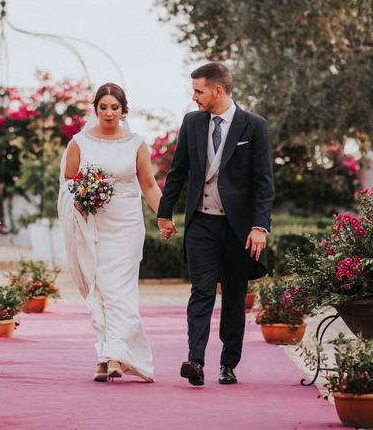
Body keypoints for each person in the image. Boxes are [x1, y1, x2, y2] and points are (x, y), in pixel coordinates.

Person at [157, 62, 274, 386]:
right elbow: (178, 173)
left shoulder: (254, 126)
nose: (194, 97)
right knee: (202, 291)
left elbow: (264, 184)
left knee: (235, 297)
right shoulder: (192, 123)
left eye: (198, 90)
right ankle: (195, 360)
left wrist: (259, 227)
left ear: (218, 90)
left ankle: (228, 363)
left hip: (238, 229)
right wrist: (165, 214)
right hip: (201, 224)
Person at [58, 83, 161, 383]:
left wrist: (163, 216)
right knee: (99, 288)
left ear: (123, 110)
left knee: (120, 290)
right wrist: (83, 196)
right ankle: (105, 356)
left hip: (127, 226)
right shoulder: (79, 142)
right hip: (92, 225)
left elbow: (150, 186)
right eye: (103, 107)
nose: (109, 113)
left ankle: (116, 356)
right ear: (96, 109)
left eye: (115, 107)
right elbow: (68, 184)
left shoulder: (136, 144)